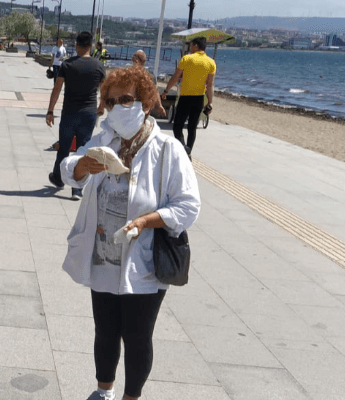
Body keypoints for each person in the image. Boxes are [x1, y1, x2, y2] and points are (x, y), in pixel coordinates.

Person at [58, 66, 200, 400]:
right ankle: (103, 391)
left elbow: (188, 206)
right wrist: (80, 167)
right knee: (105, 331)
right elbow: (70, 169)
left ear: (146, 103)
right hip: (104, 255)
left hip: (144, 263)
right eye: (111, 101)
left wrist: (146, 221)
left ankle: (131, 396)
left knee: (137, 336)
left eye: (127, 99)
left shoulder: (168, 150)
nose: (118, 107)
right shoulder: (103, 139)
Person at [45, 31, 106, 200]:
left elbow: (57, 88)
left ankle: (58, 178)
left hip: (69, 113)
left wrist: (50, 111)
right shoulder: (98, 66)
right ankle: (77, 189)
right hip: (89, 114)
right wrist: (101, 106)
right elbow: (106, 89)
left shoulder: (67, 65)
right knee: (82, 149)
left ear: (77, 46)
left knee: (64, 148)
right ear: (91, 46)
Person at [162, 37, 215, 155]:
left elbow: (175, 77)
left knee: (177, 126)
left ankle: (183, 150)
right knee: (192, 128)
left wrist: (166, 90)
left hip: (186, 98)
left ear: (196, 45)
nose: (190, 48)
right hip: (199, 99)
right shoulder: (211, 62)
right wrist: (210, 102)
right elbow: (210, 84)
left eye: (191, 46)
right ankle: (188, 151)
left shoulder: (186, 58)